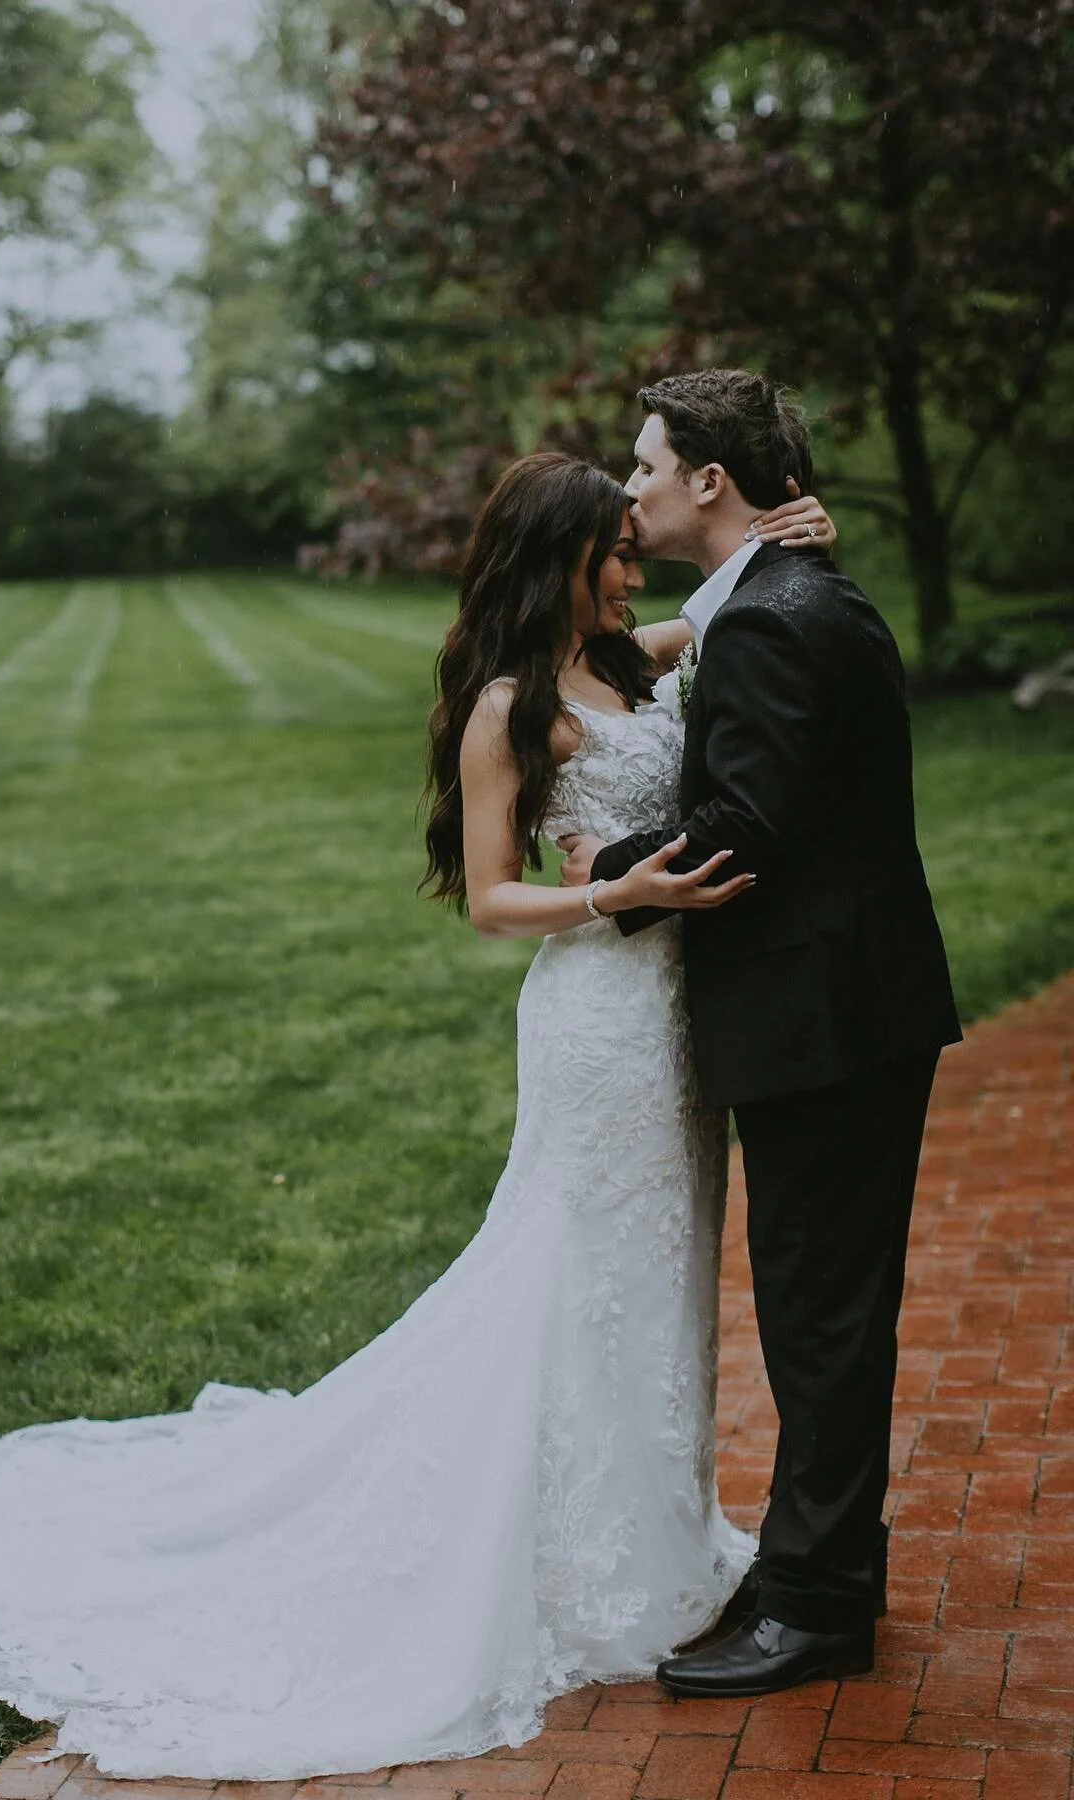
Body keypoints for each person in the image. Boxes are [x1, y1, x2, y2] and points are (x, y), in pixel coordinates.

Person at [0, 453, 834, 1778]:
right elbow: (492, 900)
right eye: (610, 552)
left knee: (661, 1273)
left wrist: (782, 535)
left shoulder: (628, 656)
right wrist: (616, 894)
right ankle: (570, 1558)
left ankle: (650, 1531)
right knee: (572, 1268)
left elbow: (716, 612)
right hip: (598, 1022)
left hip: (677, 1025)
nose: (631, 570)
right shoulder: (513, 705)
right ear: (556, 560)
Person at [560, 369, 963, 1697]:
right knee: (817, 1310)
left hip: (826, 1020)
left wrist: (603, 872)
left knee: (823, 1320)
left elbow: (747, 826)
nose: (631, 490)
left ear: (709, 481)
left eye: (645, 466)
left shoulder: (779, 617)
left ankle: (820, 1608)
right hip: (840, 1010)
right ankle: (806, 1574)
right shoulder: (772, 599)